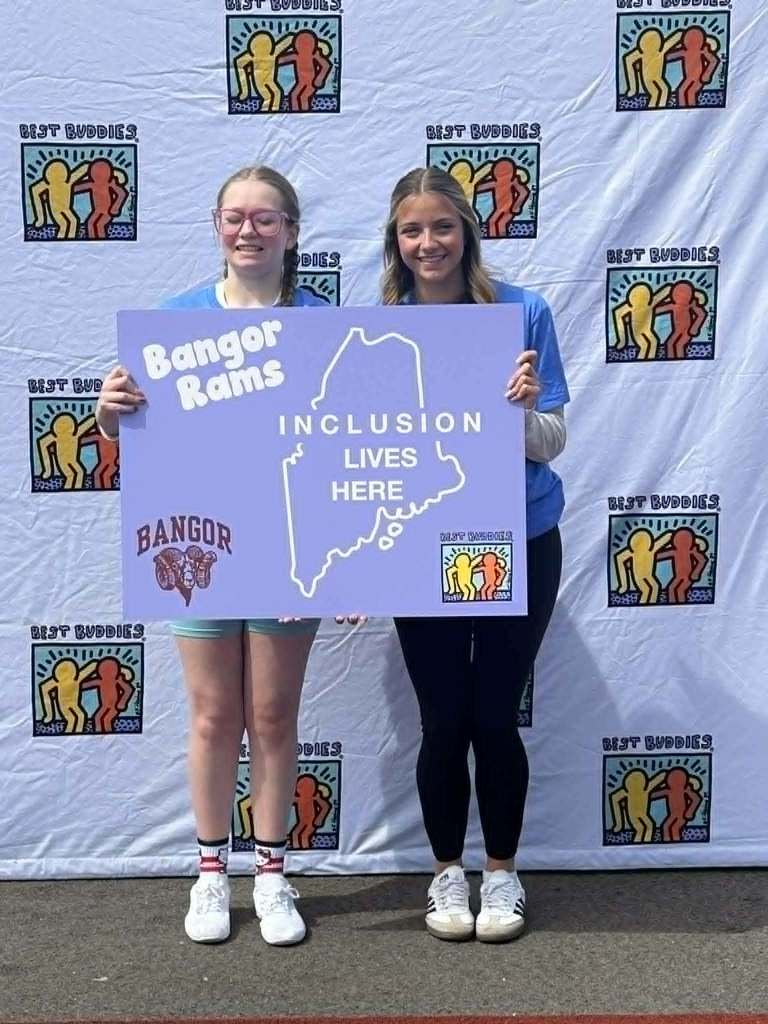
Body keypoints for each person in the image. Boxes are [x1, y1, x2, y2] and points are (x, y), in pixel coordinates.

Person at [96, 165, 356, 947]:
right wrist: (110, 416)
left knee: (273, 715)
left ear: (292, 231)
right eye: (236, 217)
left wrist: (352, 560)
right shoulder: (174, 324)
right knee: (214, 716)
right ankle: (212, 873)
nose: (250, 231)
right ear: (216, 225)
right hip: (198, 548)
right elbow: (140, 439)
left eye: (266, 218)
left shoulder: (325, 323)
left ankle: (272, 874)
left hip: (292, 550)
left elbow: (351, 451)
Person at [381, 166, 569, 943]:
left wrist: (522, 413)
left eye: (441, 226)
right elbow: (356, 453)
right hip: (424, 542)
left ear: (467, 231)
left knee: (494, 716)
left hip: (513, 538)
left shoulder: (522, 312)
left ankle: (501, 873)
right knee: (442, 720)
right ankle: (445, 875)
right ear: (396, 241)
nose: (428, 243)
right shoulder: (378, 323)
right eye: (411, 230)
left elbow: (553, 442)